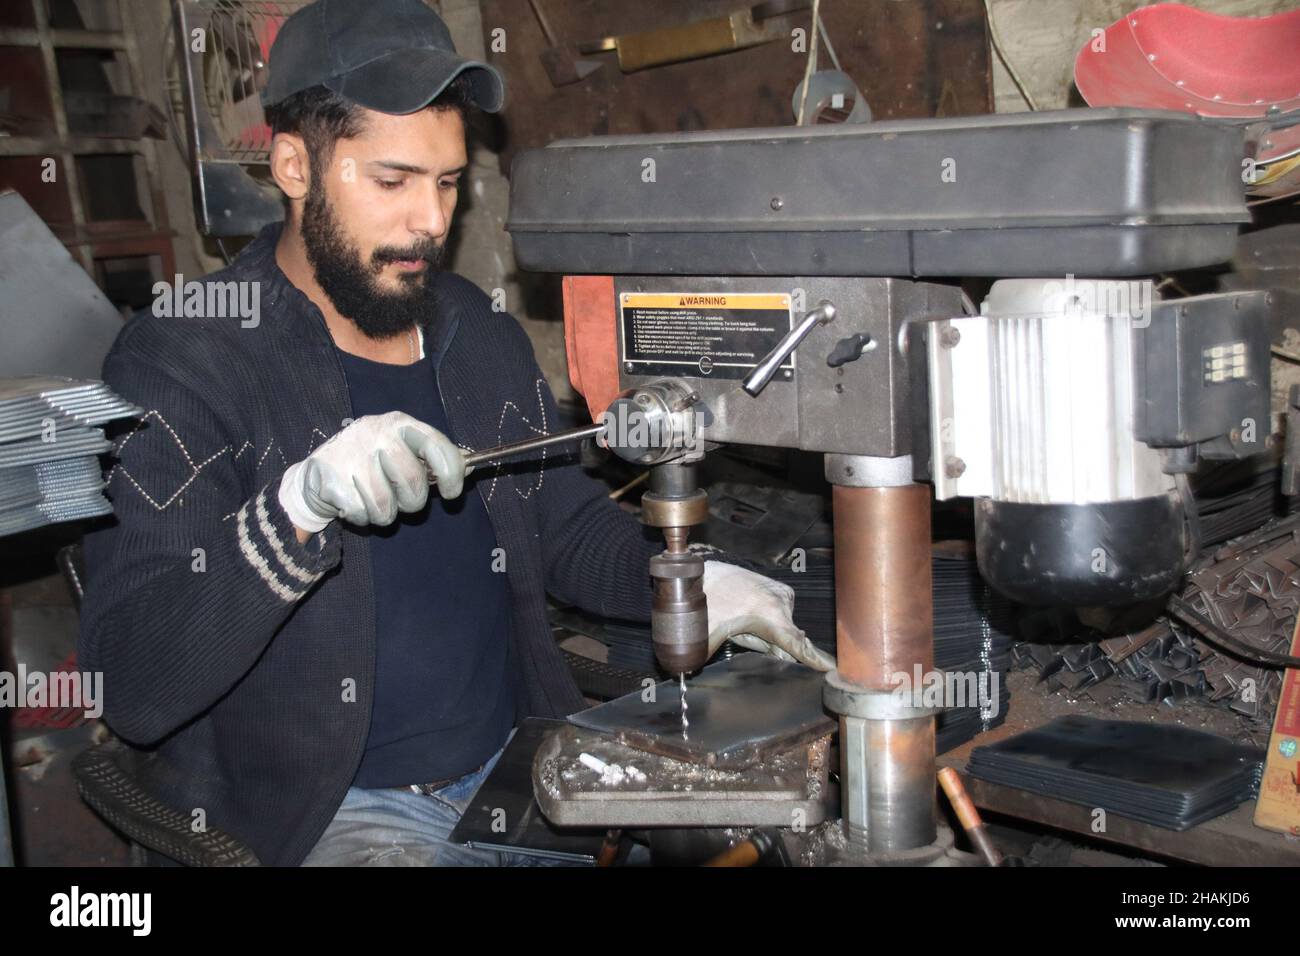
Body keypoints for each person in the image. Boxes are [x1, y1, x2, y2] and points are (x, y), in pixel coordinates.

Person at [79, 0, 830, 867]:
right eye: (393, 182)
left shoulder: (477, 333)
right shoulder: (180, 364)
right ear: (292, 164)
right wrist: (292, 513)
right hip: (335, 815)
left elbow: (567, 530)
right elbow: (133, 686)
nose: (431, 223)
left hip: (525, 778)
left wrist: (692, 587)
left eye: (446, 183)